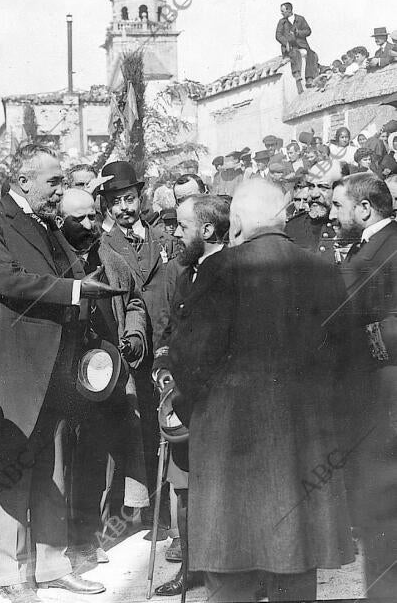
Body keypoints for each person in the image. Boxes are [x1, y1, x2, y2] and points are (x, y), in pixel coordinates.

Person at [172, 179, 354, 602]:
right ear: (283, 216)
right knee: (295, 569)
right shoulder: (323, 268)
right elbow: (344, 360)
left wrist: (187, 408)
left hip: (229, 448)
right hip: (304, 447)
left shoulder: (218, 269)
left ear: (235, 221)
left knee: (231, 573)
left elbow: (191, 358)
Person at [0, 144, 117, 602]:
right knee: (14, 466)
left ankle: (52, 566)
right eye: (54, 181)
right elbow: (5, 279)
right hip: (15, 363)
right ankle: (12, 577)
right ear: (24, 180)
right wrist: (75, 289)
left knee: (50, 466)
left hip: (56, 362)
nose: (61, 189)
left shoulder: (45, 223)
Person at [57, 188, 149, 565]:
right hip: (64, 375)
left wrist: (133, 336)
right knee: (66, 463)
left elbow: (134, 301)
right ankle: (64, 543)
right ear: (60, 220)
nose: (90, 225)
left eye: (93, 216)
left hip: (108, 373)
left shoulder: (109, 255)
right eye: (79, 219)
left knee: (100, 457)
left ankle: (92, 537)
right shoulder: (52, 258)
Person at [151, 194, 230, 597]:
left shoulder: (232, 274)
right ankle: (192, 567)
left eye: (183, 226)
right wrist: (162, 368)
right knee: (182, 487)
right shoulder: (186, 273)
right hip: (181, 401)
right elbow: (168, 331)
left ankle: (226, 569)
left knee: (220, 489)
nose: (176, 233)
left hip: (215, 404)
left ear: (209, 230)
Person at [99, 161, 177, 540]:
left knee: (163, 426)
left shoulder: (163, 239)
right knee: (127, 430)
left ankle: (160, 515)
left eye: (129, 199)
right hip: (128, 350)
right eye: (116, 202)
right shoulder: (103, 246)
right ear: (106, 206)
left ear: (139, 198)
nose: (124, 208)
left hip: (163, 343)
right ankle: (119, 515)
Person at [330, 173, 397, 601]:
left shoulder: (382, 251)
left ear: (364, 209)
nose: (332, 214)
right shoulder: (370, 246)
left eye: (338, 206)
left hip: (382, 394)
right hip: (374, 391)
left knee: (382, 509)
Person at [285, 160, 343, 262]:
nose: (314, 194)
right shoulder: (294, 227)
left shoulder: (352, 226)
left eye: (323, 188)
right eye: (311, 187)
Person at [275, 2, 319, 92]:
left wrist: (298, 32)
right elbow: (278, 35)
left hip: (301, 44)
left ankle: (309, 78)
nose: (282, 13)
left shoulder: (300, 19)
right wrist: (286, 42)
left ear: (289, 10)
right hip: (289, 46)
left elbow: (308, 31)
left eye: (283, 11)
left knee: (311, 55)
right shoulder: (282, 22)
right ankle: (297, 74)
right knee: (294, 53)